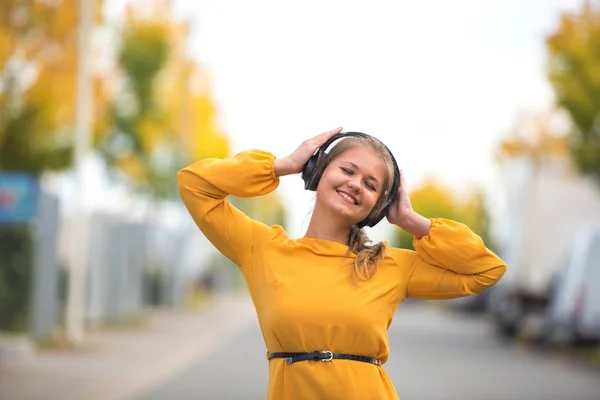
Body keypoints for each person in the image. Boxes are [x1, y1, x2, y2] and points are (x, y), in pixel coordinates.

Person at [177, 127, 507, 400]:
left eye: (371, 184)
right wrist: (283, 164)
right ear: (317, 171)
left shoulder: (391, 266)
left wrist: (410, 220)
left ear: (378, 208)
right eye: (347, 170)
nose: (355, 184)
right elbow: (195, 184)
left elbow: (486, 270)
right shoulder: (262, 250)